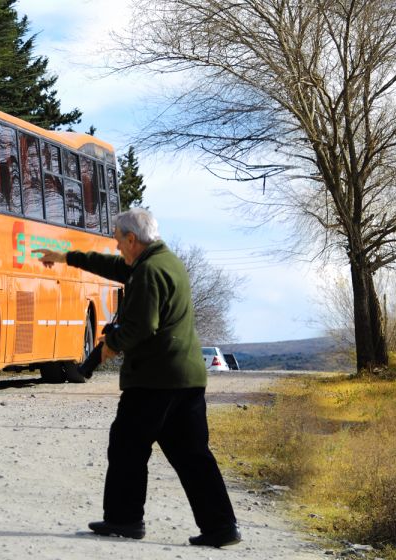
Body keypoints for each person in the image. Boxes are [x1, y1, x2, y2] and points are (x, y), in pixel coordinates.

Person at [37, 208, 241, 548]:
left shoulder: (148, 272)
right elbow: (117, 268)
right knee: (193, 455)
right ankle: (221, 526)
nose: (117, 248)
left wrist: (107, 348)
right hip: (185, 379)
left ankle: (124, 519)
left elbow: (142, 326)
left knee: (127, 446)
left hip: (154, 380)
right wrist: (66, 257)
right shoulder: (166, 262)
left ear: (132, 239)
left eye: (119, 241)